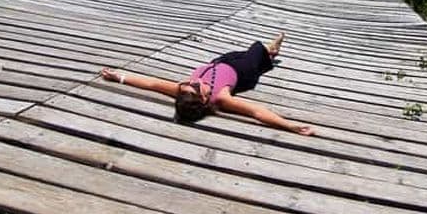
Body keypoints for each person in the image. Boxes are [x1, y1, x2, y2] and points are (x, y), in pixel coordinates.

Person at [101, 32, 315, 136]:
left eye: (186, 85)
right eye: (193, 87)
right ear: (204, 99)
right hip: (244, 71)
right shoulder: (220, 97)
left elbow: (151, 83)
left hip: (220, 63)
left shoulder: (185, 90)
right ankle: (271, 49)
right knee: (256, 49)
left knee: (245, 53)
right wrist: (290, 125)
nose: (189, 82)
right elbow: (257, 112)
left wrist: (118, 77)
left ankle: (270, 54)